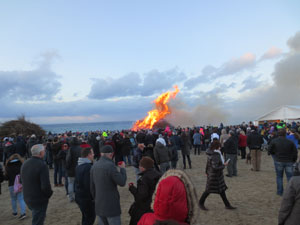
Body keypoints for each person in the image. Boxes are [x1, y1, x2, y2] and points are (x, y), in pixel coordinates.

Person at [90, 145, 127, 225]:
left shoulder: (94, 165)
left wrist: (96, 199)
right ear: (111, 154)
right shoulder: (110, 166)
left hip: (99, 204)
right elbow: (122, 182)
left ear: (101, 154)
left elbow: (92, 187)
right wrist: (123, 169)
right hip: (111, 205)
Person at [199, 140, 236, 210]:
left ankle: (227, 205)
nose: (220, 147)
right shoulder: (215, 155)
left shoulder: (211, 153)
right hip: (214, 176)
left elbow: (208, 164)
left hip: (214, 175)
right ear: (217, 146)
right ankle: (200, 203)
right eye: (219, 146)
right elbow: (215, 167)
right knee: (208, 190)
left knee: (221, 191)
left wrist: (206, 171)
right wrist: (224, 165)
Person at [21, 144, 53, 225]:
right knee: (38, 221)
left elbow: (22, 180)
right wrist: (49, 194)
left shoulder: (25, 163)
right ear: (41, 153)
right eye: (44, 151)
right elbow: (45, 186)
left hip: (28, 197)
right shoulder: (42, 165)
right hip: (38, 199)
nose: (45, 152)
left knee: (37, 217)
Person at [128, 157, 161, 225]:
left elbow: (141, 197)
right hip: (156, 206)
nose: (139, 167)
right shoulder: (158, 175)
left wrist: (132, 188)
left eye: (140, 165)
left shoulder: (145, 178)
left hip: (144, 208)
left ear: (143, 167)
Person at [268, 129, 298, 196]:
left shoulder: (274, 141)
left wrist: (274, 155)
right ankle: (290, 192)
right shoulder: (290, 141)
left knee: (279, 177)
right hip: (288, 161)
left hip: (279, 160)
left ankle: (280, 192)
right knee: (289, 177)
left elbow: (269, 150)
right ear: (285, 134)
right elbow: (295, 152)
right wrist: (294, 160)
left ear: (278, 134)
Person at [75, 147, 95, 225]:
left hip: (80, 196)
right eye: (92, 153)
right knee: (90, 218)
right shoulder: (87, 167)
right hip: (86, 199)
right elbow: (88, 185)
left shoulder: (79, 165)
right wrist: (92, 198)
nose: (93, 155)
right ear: (89, 155)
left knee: (85, 217)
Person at [4, 153, 27, 219]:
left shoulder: (8, 165)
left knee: (13, 199)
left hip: (11, 184)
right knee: (21, 199)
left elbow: (6, 177)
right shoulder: (22, 164)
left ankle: (15, 212)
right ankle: (23, 213)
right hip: (20, 184)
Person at [66, 137, 82, 202]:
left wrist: (67, 167)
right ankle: (77, 196)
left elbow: (68, 159)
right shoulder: (80, 148)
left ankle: (71, 197)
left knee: (71, 183)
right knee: (78, 184)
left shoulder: (71, 149)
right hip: (79, 168)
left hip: (71, 169)